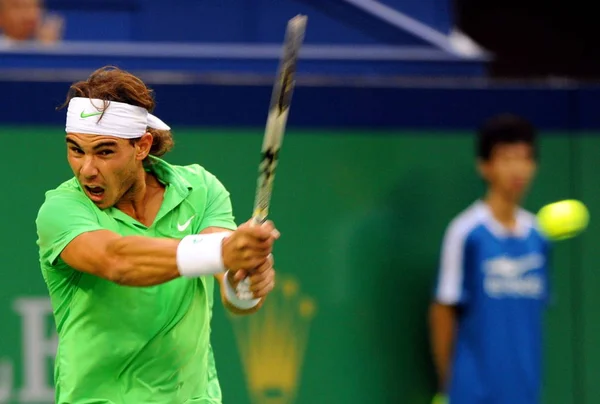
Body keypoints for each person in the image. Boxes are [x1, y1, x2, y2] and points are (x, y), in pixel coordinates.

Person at [35, 66, 278, 404]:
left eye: (104, 152)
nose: (86, 169)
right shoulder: (61, 209)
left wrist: (247, 280)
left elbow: (231, 285)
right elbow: (117, 260)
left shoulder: (201, 189)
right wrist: (223, 251)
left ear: (142, 146)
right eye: (76, 150)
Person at [429, 114, 551, 404]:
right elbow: (442, 313)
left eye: (524, 158)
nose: (517, 169)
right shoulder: (466, 232)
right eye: (506, 158)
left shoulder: (539, 236)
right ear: (485, 166)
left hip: (524, 390)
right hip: (473, 393)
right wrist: (453, 386)